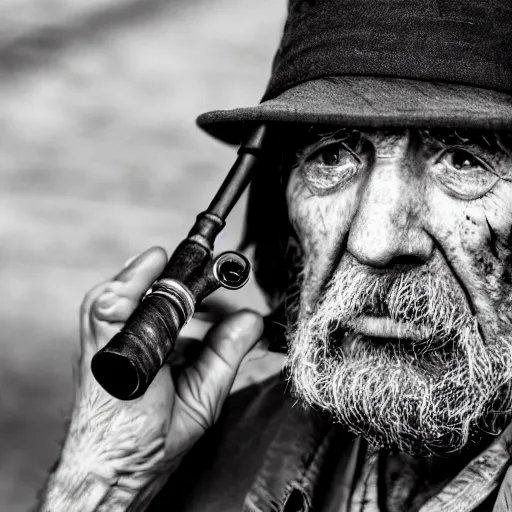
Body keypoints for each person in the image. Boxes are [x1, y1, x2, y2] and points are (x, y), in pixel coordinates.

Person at [38, 0, 512, 510]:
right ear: (283, 222)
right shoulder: (200, 461)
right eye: (332, 156)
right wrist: (105, 477)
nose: (374, 242)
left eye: (465, 160)